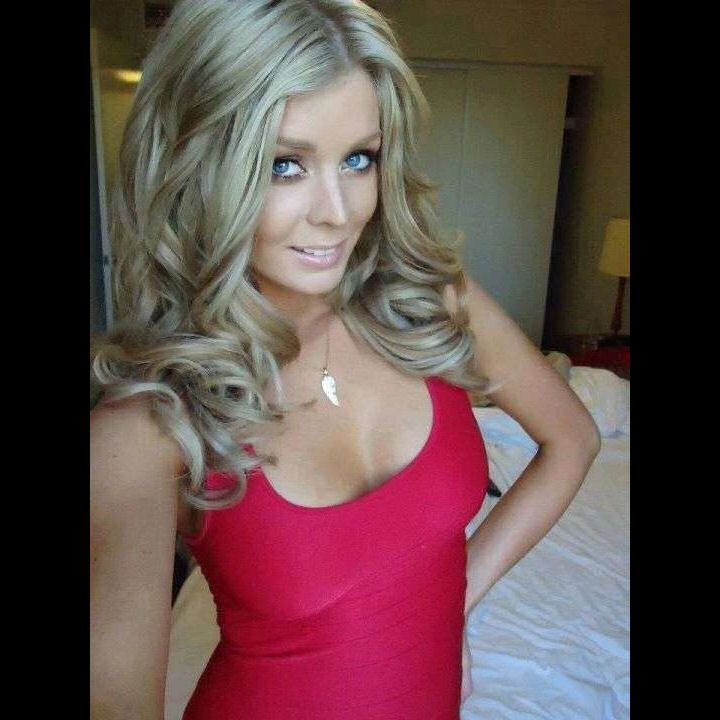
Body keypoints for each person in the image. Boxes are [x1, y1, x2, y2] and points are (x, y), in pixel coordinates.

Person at [90, 1, 601, 719]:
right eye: (285, 165)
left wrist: (455, 599)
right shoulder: (143, 428)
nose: (337, 211)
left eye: (359, 158)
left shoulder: (428, 301)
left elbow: (573, 439)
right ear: (196, 168)